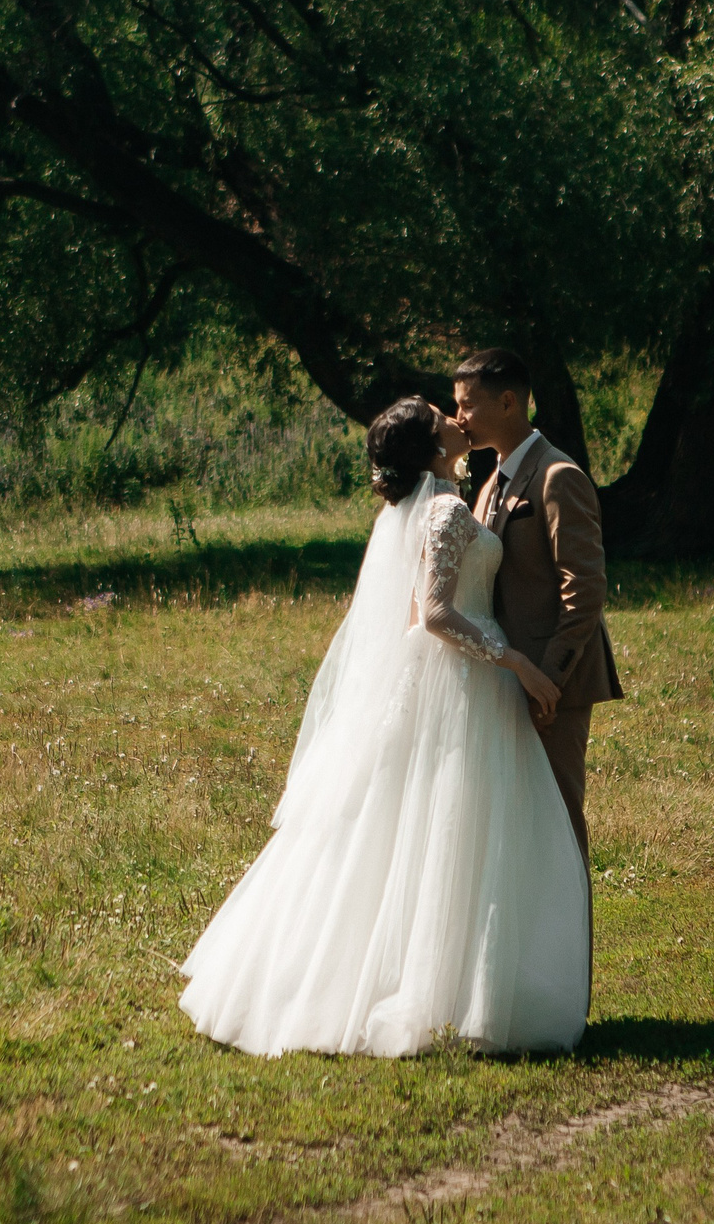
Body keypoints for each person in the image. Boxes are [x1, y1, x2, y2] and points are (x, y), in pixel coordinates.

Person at [176, 395, 593, 1057]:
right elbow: (435, 613)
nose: (455, 416)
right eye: (441, 414)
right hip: (465, 678)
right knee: (455, 828)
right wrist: (514, 659)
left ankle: (448, 986)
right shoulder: (445, 509)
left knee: (426, 827)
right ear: (432, 445)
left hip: (451, 677)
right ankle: (452, 992)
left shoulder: (430, 506)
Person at [452, 347, 622, 1005]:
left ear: (508, 402)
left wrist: (546, 680)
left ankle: (568, 993)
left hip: (554, 689)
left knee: (556, 831)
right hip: (507, 684)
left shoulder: (558, 477)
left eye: (468, 404)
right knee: (512, 834)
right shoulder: (491, 481)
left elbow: (584, 592)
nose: (460, 417)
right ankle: (519, 985)